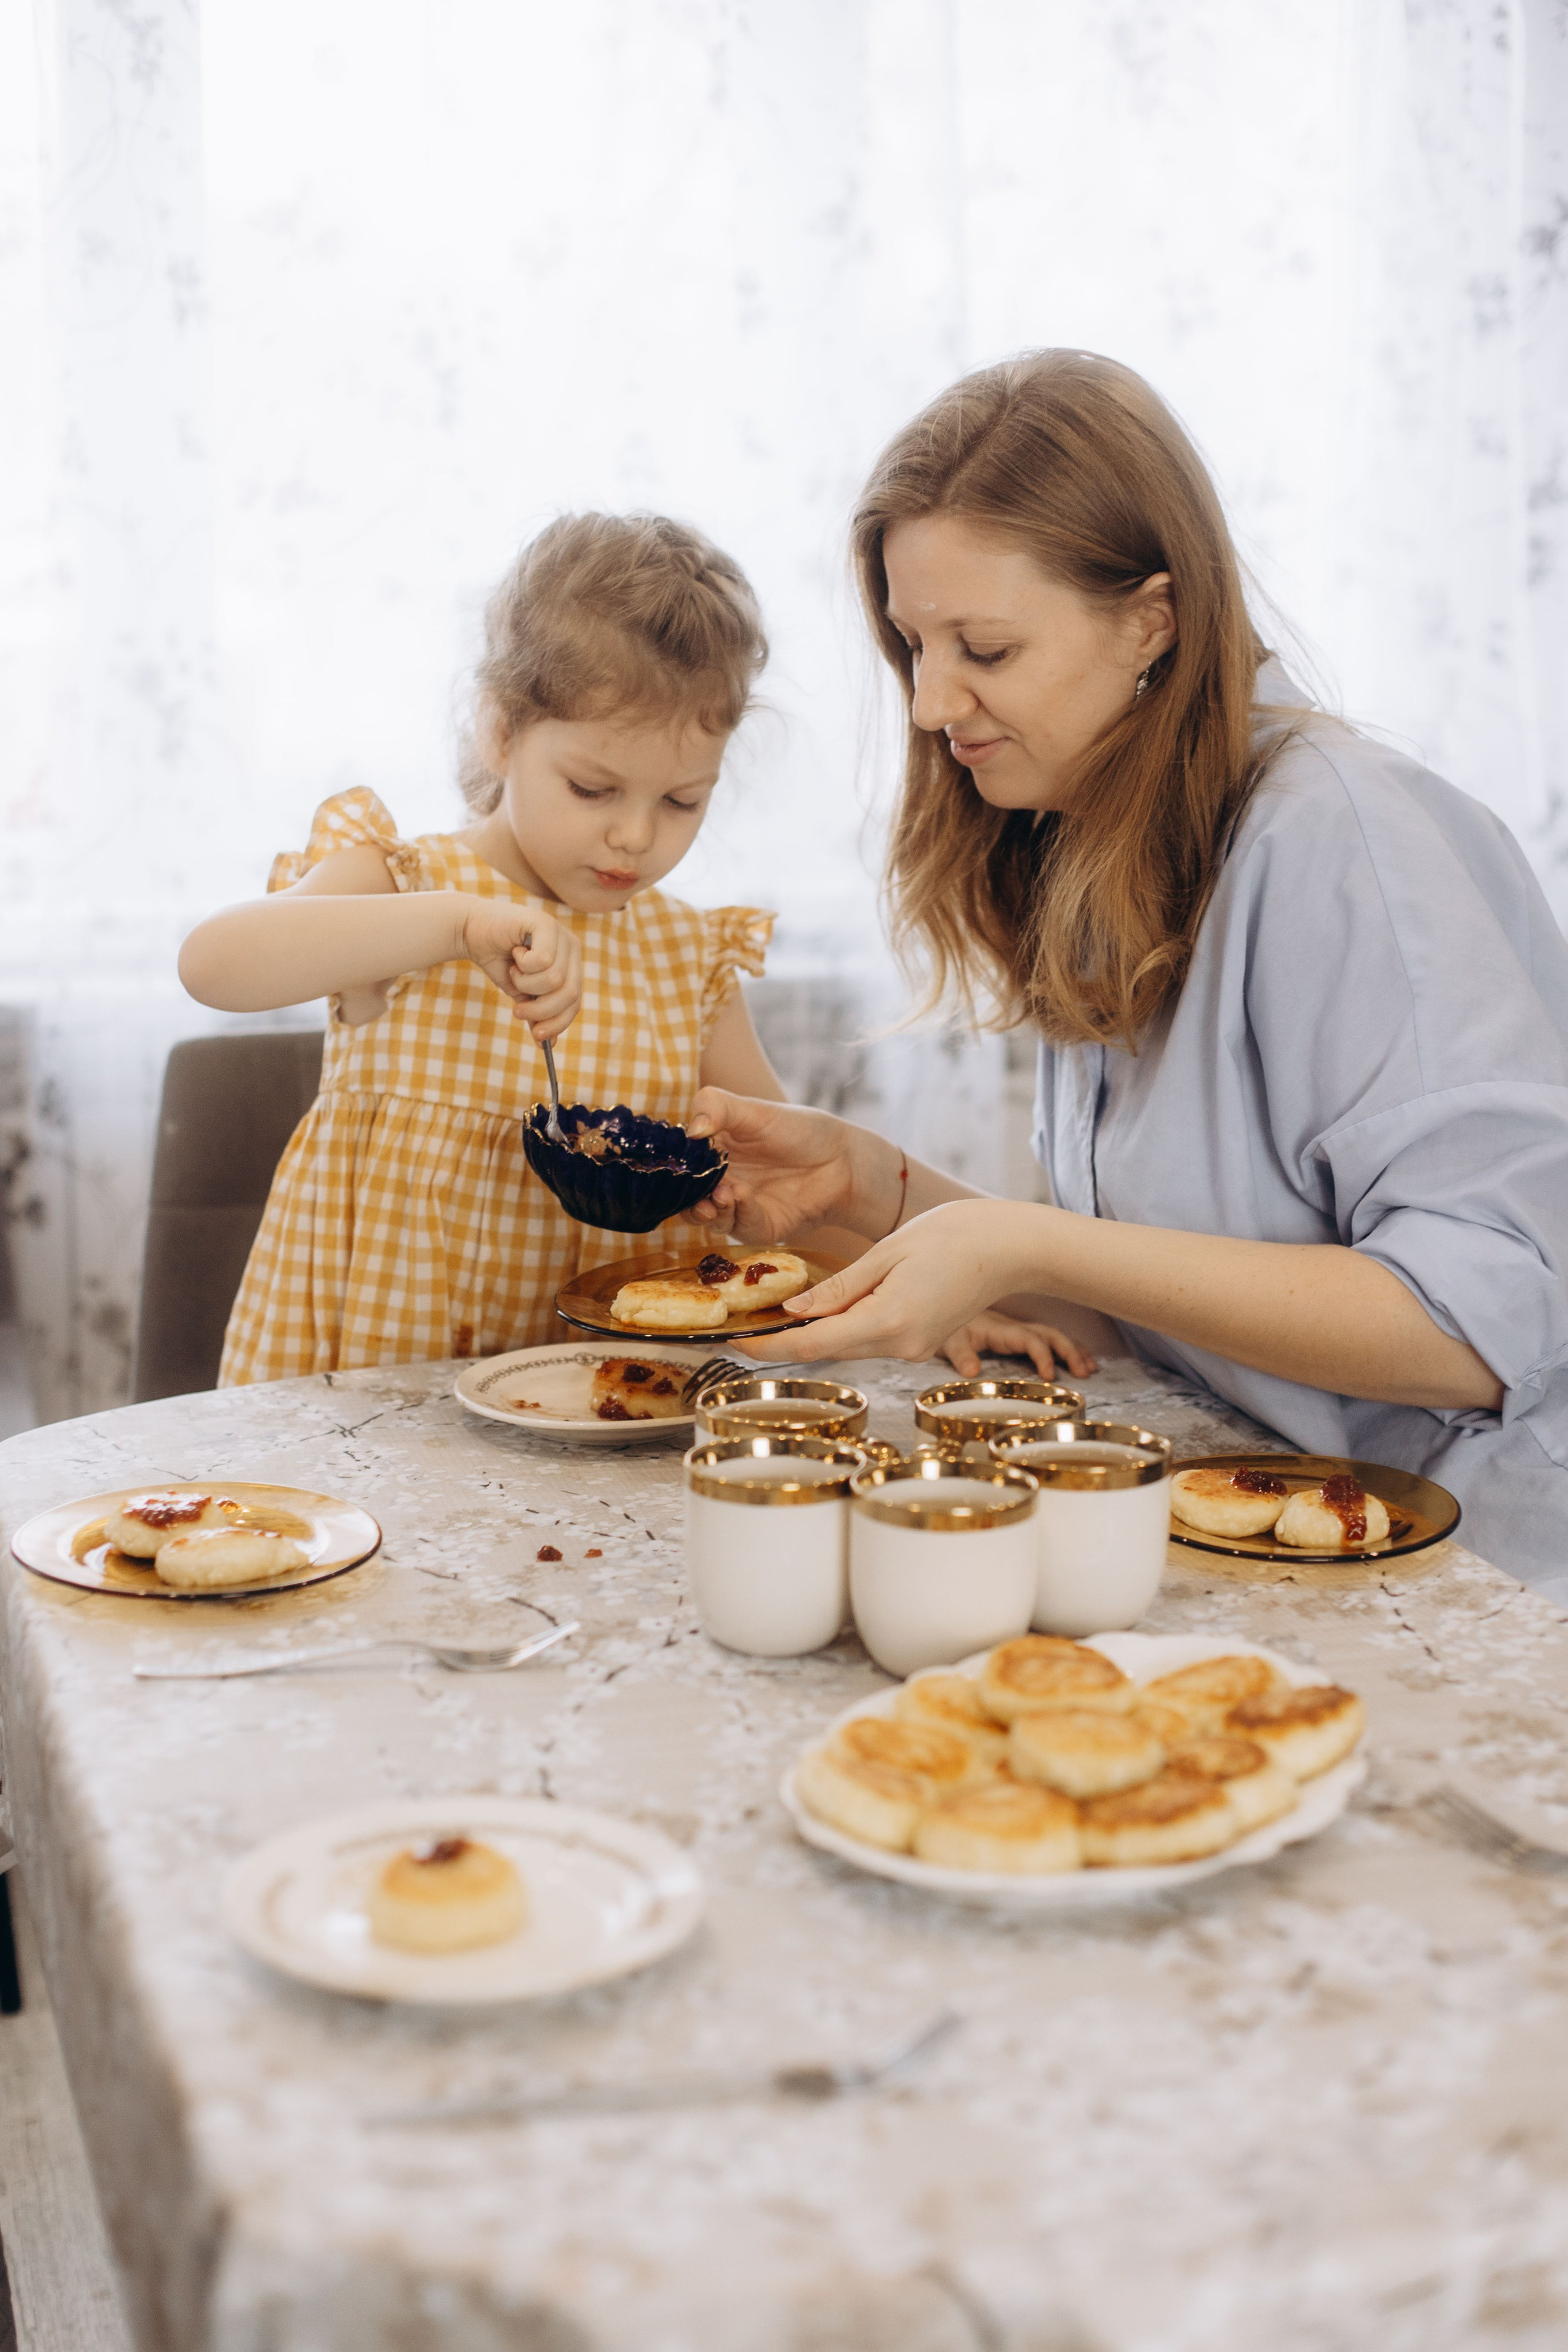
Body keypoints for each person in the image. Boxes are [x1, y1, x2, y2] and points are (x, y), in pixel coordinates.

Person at [687, 352, 1568, 1593]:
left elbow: (1476, 1324)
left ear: (1151, 620)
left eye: (985, 648)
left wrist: (1020, 1239)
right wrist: (874, 1187)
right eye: (913, 645)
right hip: (1270, 1539)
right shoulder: (1096, 839)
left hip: (1487, 1583)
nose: (931, 702)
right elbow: (1177, 1314)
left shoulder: (1344, 840)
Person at [181, 511, 1078, 1387]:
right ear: (500, 731)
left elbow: (794, 1188)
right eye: (592, 788)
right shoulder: (401, 888)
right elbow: (214, 965)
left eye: (682, 801)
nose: (636, 838)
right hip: (375, 1392)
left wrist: (922, 1292)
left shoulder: (687, 960)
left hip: (604, 1403)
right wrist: (454, 926)